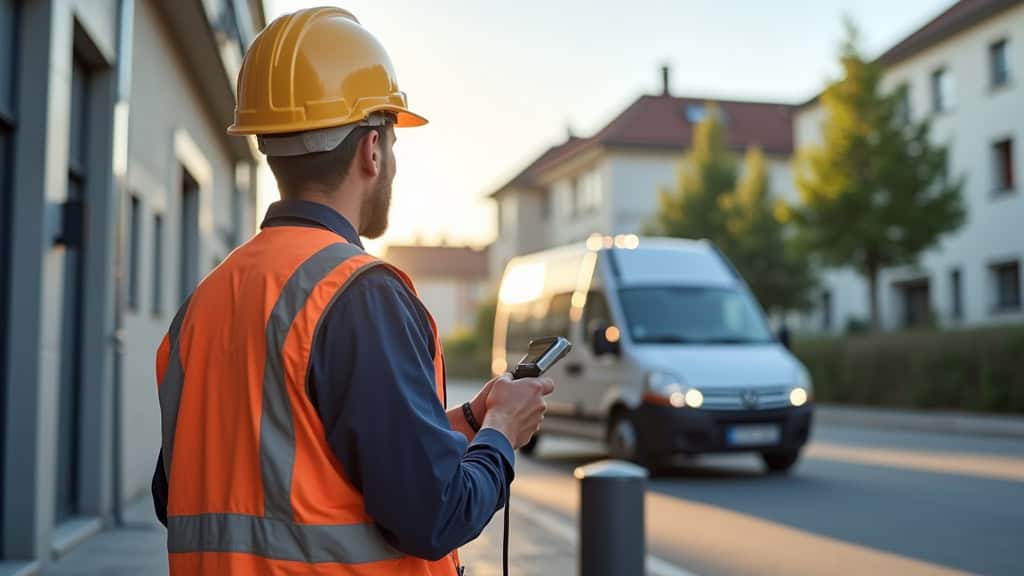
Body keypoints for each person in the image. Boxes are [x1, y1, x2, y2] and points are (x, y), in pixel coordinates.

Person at [150, 7, 552, 575]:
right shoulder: (360, 295)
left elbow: (189, 495)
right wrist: (502, 434)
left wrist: (464, 421)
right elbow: (436, 516)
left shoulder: (203, 304)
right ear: (372, 149)